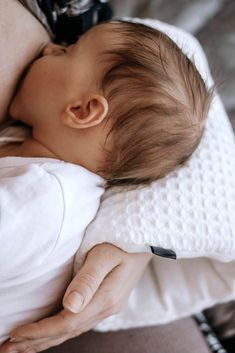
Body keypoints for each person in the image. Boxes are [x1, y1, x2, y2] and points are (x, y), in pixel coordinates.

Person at [0, 2, 213, 353]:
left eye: (66, 52)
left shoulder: (42, 199)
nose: (51, 47)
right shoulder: (31, 152)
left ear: (82, 110)